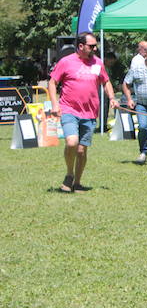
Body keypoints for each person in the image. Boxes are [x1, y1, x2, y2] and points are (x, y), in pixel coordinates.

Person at [47, 32, 119, 193]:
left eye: (95, 45)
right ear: (80, 46)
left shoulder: (97, 63)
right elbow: (52, 83)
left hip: (90, 112)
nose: (95, 48)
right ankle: (69, 174)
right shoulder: (66, 62)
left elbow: (105, 81)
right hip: (68, 109)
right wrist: (54, 104)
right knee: (72, 142)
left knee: (81, 150)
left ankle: (77, 182)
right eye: (91, 46)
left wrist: (112, 98)